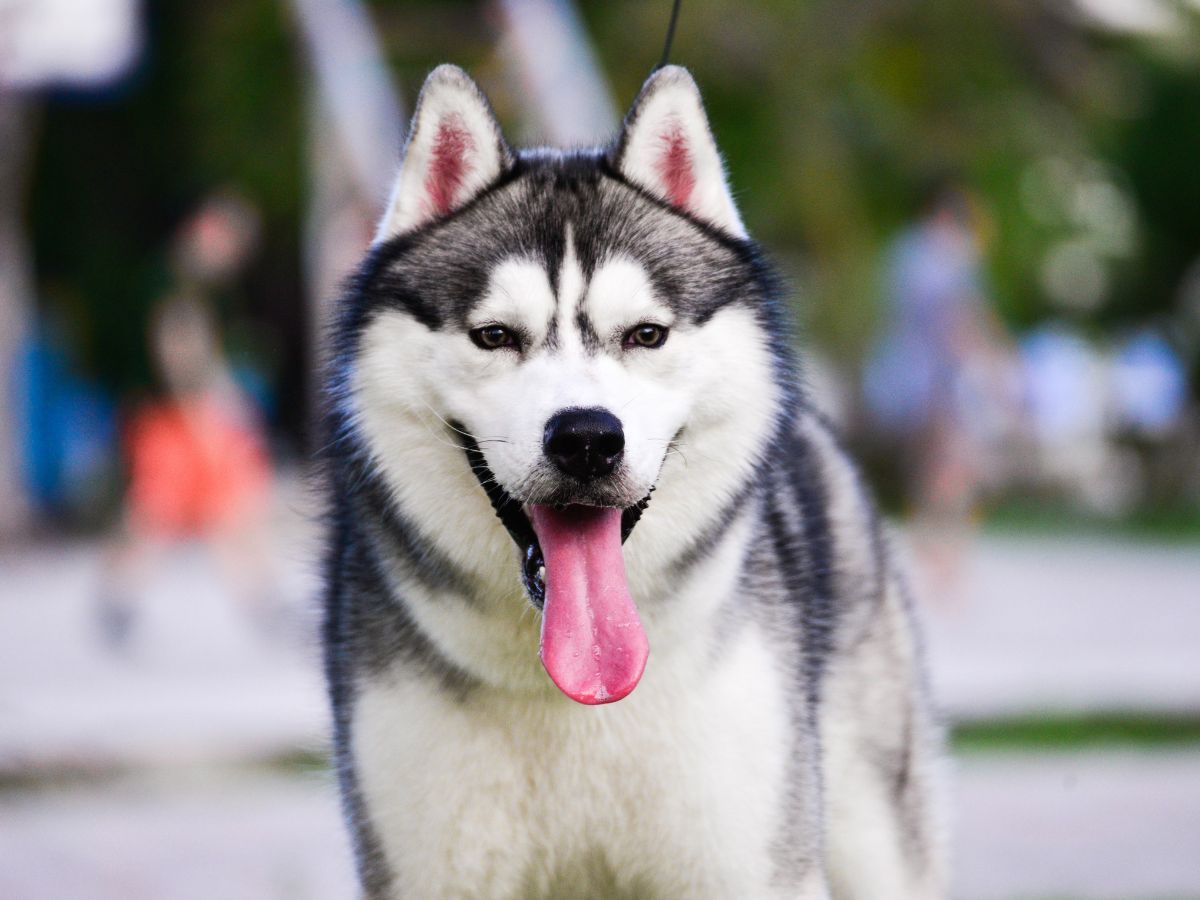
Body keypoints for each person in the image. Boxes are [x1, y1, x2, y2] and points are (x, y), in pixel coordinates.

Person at [865, 181, 1016, 600]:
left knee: (933, 469)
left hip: (902, 377)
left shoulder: (902, 253)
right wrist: (996, 370)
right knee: (951, 469)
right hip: (938, 381)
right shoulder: (947, 257)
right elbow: (960, 319)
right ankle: (944, 559)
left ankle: (936, 555)